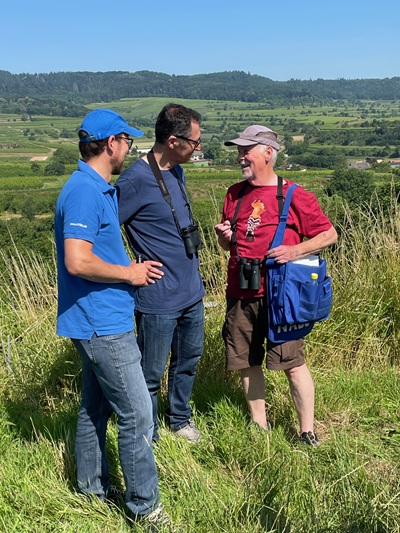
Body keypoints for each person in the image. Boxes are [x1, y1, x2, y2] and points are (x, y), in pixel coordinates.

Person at [54, 108, 170, 525]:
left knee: (95, 409)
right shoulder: (85, 192)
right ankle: (145, 508)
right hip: (102, 324)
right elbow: (77, 260)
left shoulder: (93, 187)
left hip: (97, 319)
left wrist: (126, 269)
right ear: (110, 144)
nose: (129, 149)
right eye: (126, 141)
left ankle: (91, 490)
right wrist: (129, 274)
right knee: (138, 414)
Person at [214, 125, 337, 445]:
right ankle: (260, 429)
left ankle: (307, 432)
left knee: (292, 364)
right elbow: (229, 246)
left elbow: (329, 234)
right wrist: (225, 239)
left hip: (283, 295)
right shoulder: (234, 193)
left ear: (268, 152)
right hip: (241, 290)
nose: (240, 157)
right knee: (247, 362)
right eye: (239, 151)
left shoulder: (295, 195)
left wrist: (295, 251)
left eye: (246, 150)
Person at [115, 103, 205, 443]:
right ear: (173, 141)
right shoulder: (134, 181)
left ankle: (179, 420)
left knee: (188, 360)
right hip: (158, 297)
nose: (198, 147)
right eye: (194, 142)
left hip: (190, 291)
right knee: (150, 373)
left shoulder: (176, 171)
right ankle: (148, 435)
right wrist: (127, 268)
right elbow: (101, 231)